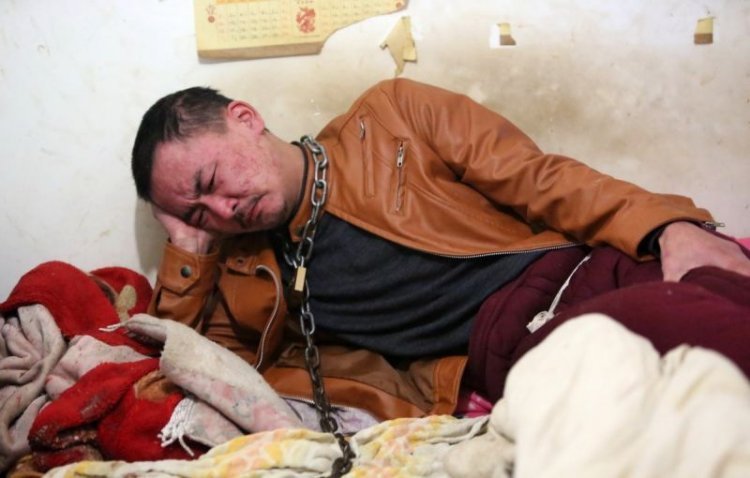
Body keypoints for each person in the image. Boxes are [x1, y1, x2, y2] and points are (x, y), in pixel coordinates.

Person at [131, 78, 750, 426]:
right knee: (673, 342)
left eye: (210, 182)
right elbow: (201, 367)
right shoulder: (246, 271)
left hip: (581, 266)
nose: (222, 211)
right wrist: (188, 251)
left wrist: (668, 225)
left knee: (716, 285)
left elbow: (539, 179)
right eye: (197, 214)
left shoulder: (392, 115)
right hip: (519, 339)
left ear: (244, 118)